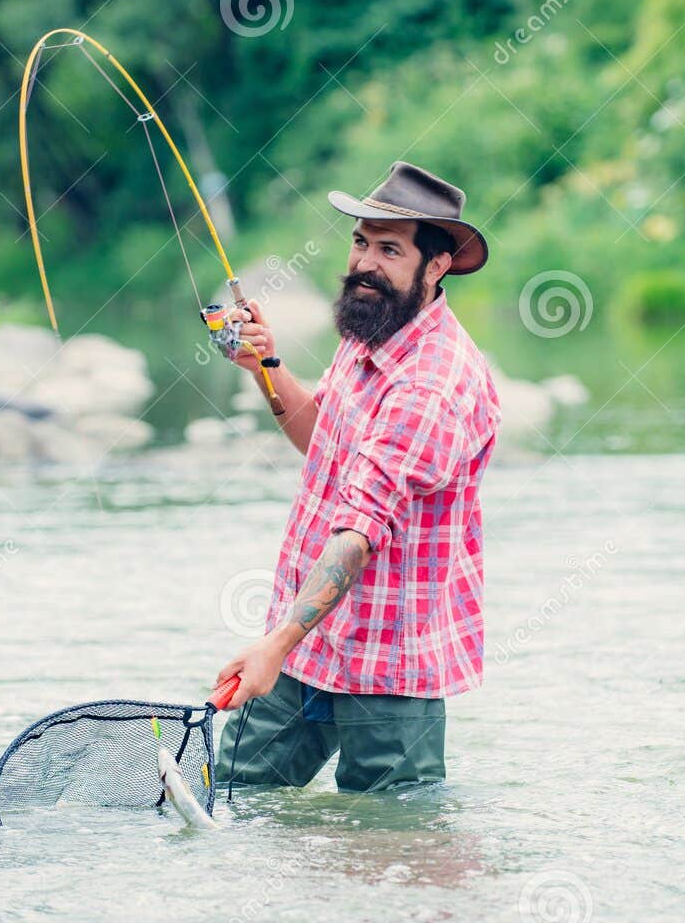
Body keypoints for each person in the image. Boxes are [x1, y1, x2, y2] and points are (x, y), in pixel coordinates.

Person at [213, 161, 500, 792]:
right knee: (231, 795)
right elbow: (324, 443)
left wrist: (273, 645)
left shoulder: (432, 382)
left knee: (394, 848)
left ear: (437, 265)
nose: (366, 263)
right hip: (313, 645)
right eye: (361, 241)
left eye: (390, 249)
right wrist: (265, 366)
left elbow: (359, 533)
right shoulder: (371, 325)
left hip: (391, 669)